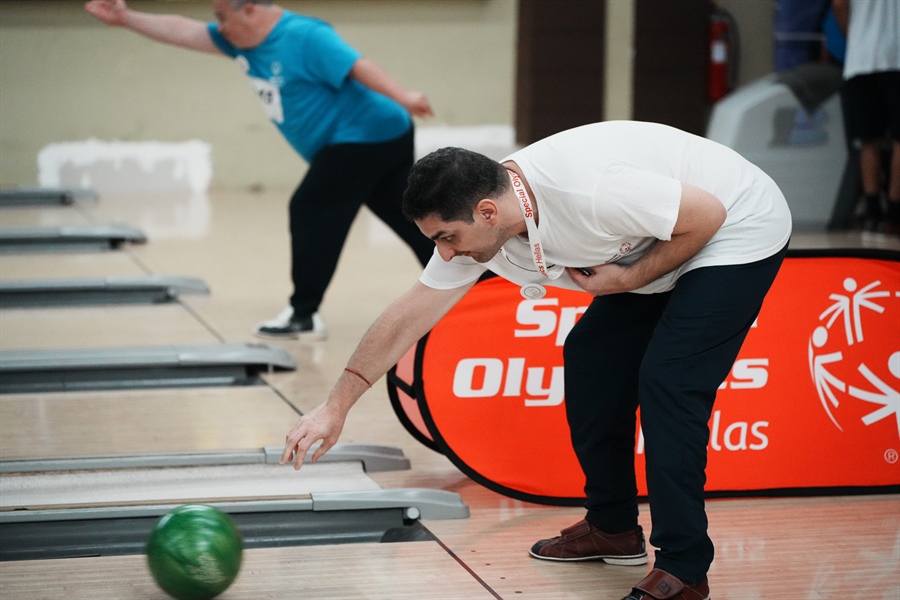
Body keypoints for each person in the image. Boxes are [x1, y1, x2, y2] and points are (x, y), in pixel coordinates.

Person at [280, 120, 792, 600]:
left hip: (734, 227)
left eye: (446, 238)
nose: (447, 254)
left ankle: (683, 568)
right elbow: (407, 316)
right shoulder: (488, 223)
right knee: (591, 358)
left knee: (669, 382)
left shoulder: (588, 193)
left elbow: (708, 215)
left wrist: (629, 279)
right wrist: (336, 405)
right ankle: (613, 528)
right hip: (665, 235)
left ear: (486, 212)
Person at [84, 0, 436, 339]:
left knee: (311, 207)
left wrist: (403, 96)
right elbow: (183, 30)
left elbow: (358, 65)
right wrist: (126, 17)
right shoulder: (242, 40)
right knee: (409, 216)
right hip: (380, 135)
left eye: (222, 17)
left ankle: (303, 315)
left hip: (365, 135)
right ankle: (472, 287)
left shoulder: (304, 35)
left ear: (249, 9)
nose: (218, 27)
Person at [832, 0, 900, 234]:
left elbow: (839, 4)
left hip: (860, 58)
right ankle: (894, 213)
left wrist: (854, 35)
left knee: (868, 140)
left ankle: (872, 213)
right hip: (896, 56)